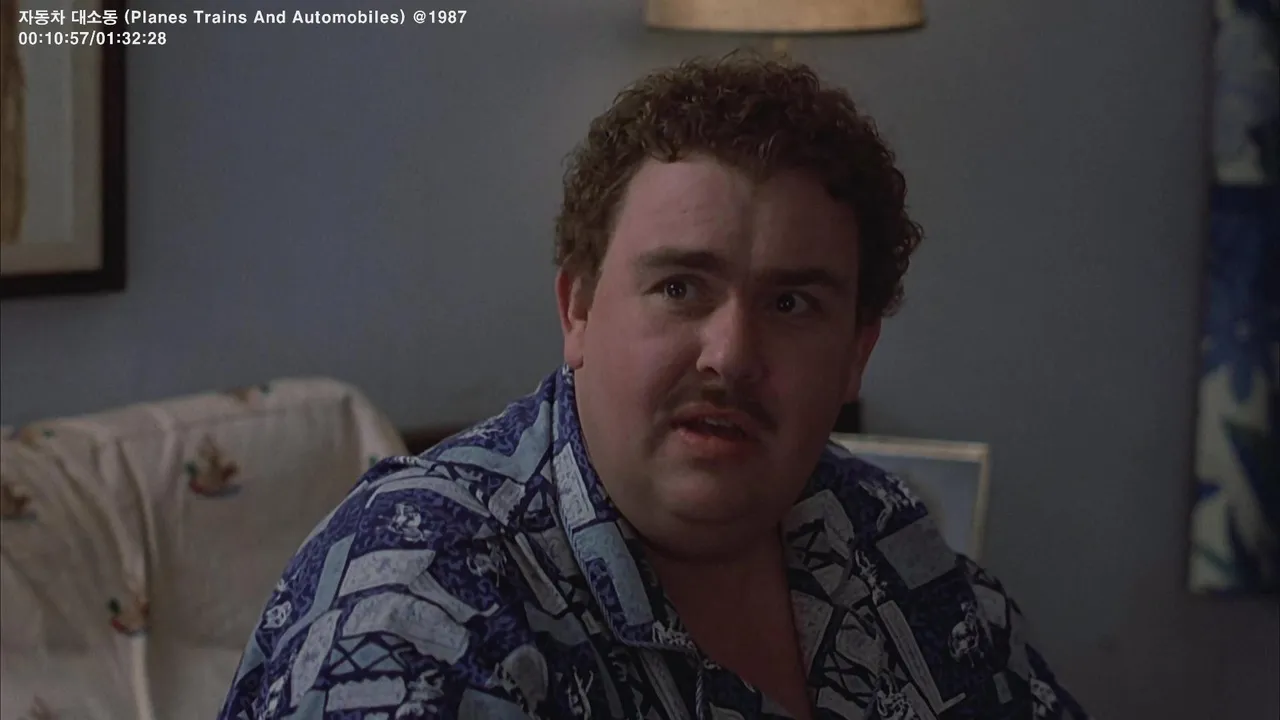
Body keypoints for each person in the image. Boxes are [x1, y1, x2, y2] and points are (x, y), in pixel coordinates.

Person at [218, 54, 1090, 720]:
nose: (731, 356)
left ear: (857, 353)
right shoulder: (419, 598)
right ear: (578, 310)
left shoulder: (882, 530)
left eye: (791, 303)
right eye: (680, 288)